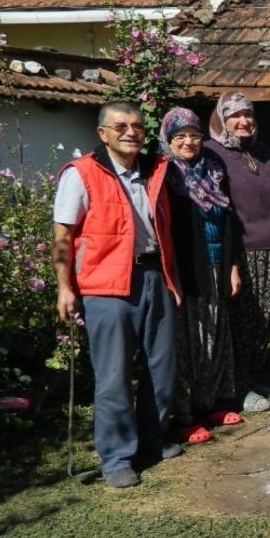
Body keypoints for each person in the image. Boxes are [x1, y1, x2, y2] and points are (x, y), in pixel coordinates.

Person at [52, 100, 182, 489]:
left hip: (153, 277)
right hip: (104, 286)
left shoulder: (156, 170)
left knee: (163, 369)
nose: (131, 132)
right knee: (113, 377)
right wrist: (64, 287)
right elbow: (63, 235)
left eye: (138, 126)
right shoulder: (81, 174)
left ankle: (152, 440)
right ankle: (117, 458)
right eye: (121, 125)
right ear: (103, 133)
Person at [159, 107, 244, 444]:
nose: (189, 141)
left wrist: (234, 265)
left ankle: (210, 403)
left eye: (194, 135)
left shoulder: (213, 168)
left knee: (215, 337)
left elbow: (230, 221)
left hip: (216, 265)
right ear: (168, 140)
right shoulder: (165, 175)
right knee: (186, 342)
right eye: (180, 136)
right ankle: (183, 415)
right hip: (186, 270)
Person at [205, 92, 270, 412]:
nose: (244, 121)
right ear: (222, 119)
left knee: (259, 322)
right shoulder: (211, 153)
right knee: (238, 321)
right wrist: (230, 259)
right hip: (239, 251)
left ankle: (250, 377)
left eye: (248, 115)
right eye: (235, 115)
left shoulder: (262, 153)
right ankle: (238, 389)